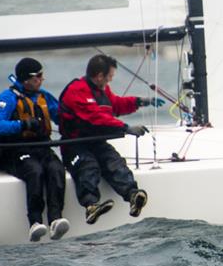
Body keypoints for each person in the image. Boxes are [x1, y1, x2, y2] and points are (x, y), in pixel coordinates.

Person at [58, 54, 163, 225]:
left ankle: (132, 195)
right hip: (74, 145)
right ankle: (91, 206)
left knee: (114, 162)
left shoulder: (102, 90)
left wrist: (141, 101)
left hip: (96, 142)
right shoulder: (76, 91)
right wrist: (126, 128)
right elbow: (95, 116)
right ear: (100, 76)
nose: (110, 80)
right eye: (110, 77)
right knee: (88, 166)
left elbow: (115, 104)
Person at [0, 58, 70, 242]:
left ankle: (56, 219)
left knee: (56, 169)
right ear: (27, 79)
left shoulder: (44, 97)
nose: (42, 79)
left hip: (42, 146)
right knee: (35, 171)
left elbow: (61, 115)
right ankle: (35, 222)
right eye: (39, 76)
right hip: (17, 148)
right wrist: (22, 124)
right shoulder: (7, 98)